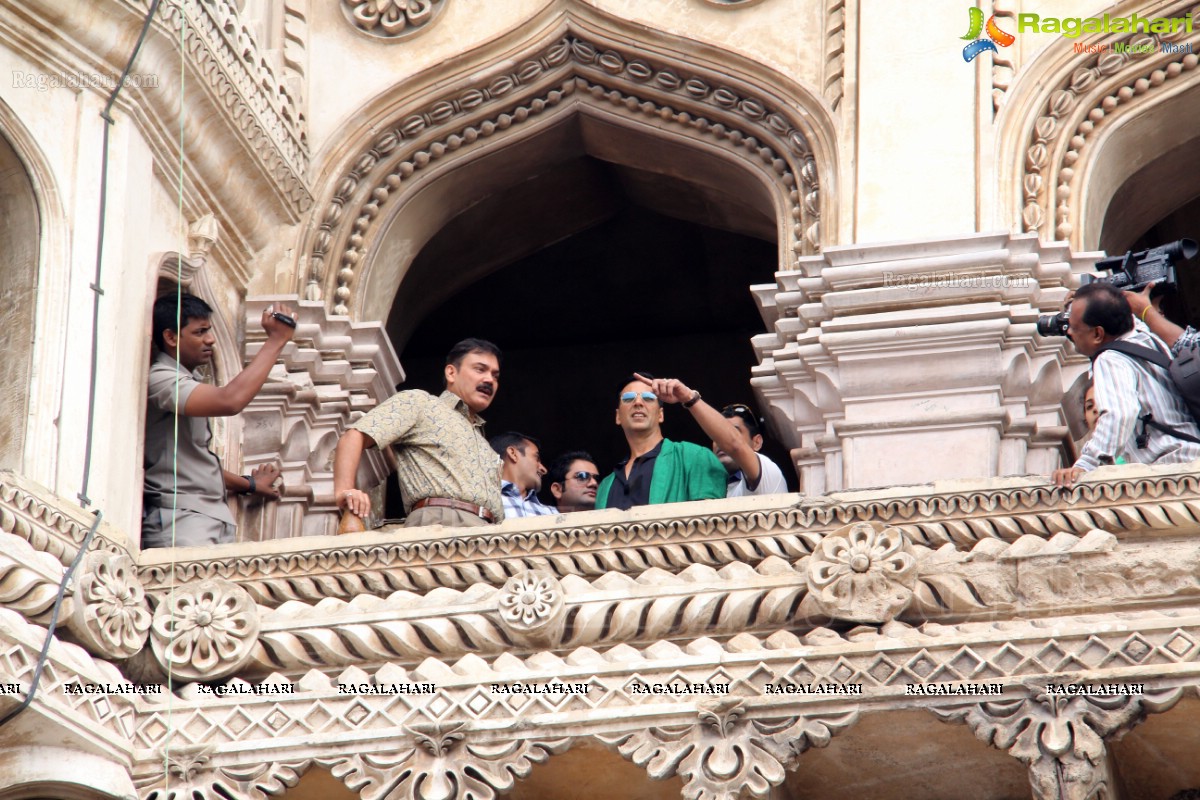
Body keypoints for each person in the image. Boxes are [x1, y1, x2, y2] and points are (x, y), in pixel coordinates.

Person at [143, 293, 293, 548]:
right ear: (170, 337)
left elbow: (192, 463)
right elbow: (230, 400)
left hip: (205, 518)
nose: (210, 339)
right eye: (200, 332)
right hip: (181, 520)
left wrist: (249, 484)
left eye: (209, 330)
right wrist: (276, 341)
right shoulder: (161, 378)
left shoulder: (184, 379)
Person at [334, 338, 504, 528]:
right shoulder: (420, 403)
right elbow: (354, 436)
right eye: (480, 369)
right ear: (451, 373)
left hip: (489, 534)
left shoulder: (483, 442)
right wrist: (345, 490)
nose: (489, 380)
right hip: (439, 521)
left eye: (495, 375)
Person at [1051, 283, 1200, 487]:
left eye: (1074, 327)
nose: (1069, 333)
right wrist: (1093, 297)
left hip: (1175, 471)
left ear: (1097, 334)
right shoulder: (1147, 339)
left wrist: (1086, 464)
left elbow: (1120, 413)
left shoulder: (1110, 359)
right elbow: (1122, 314)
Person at [634, 374, 789, 497]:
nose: (721, 442)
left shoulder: (768, 471)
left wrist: (688, 397)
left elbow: (734, 445)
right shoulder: (709, 487)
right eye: (717, 436)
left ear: (757, 442)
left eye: (734, 432)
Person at [597, 373, 727, 509]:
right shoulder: (605, 487)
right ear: (618, 417)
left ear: (660, 414)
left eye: (648, 398)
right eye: (628, 398)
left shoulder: (694, 456)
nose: (638, 402)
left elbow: (710, 525)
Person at [491, 432, 556, 517]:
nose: (544, 470)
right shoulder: (483, 504)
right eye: (537, 458)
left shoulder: (552, 514)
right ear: (513, 454)